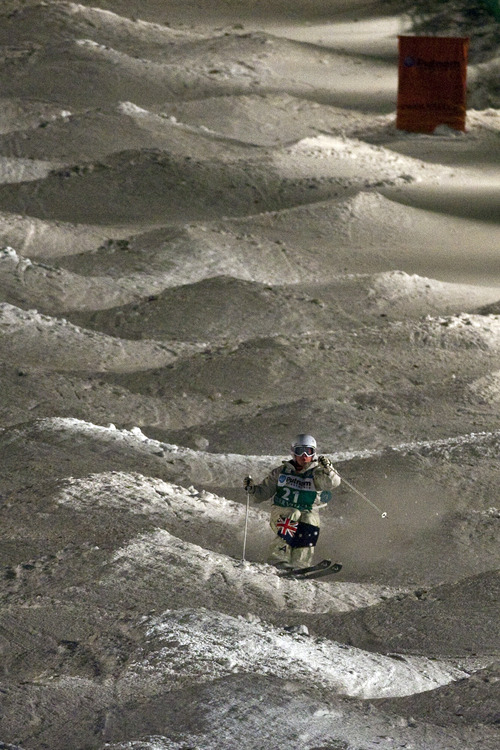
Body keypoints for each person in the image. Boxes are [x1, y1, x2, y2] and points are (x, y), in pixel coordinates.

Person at [244, 433, 341, 570]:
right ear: (293, 453)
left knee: (309, 519)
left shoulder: (316, 474)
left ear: (313, 453)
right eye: (300, 451)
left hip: (307, 510)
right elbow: (262, 493)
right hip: (282, 512)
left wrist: (328, 469)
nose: (304, 456)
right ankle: (278, 557)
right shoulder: (281, 472)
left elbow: (332, 483)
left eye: (309, 451)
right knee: (293, 513)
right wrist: (252, 489)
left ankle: (300, 563)